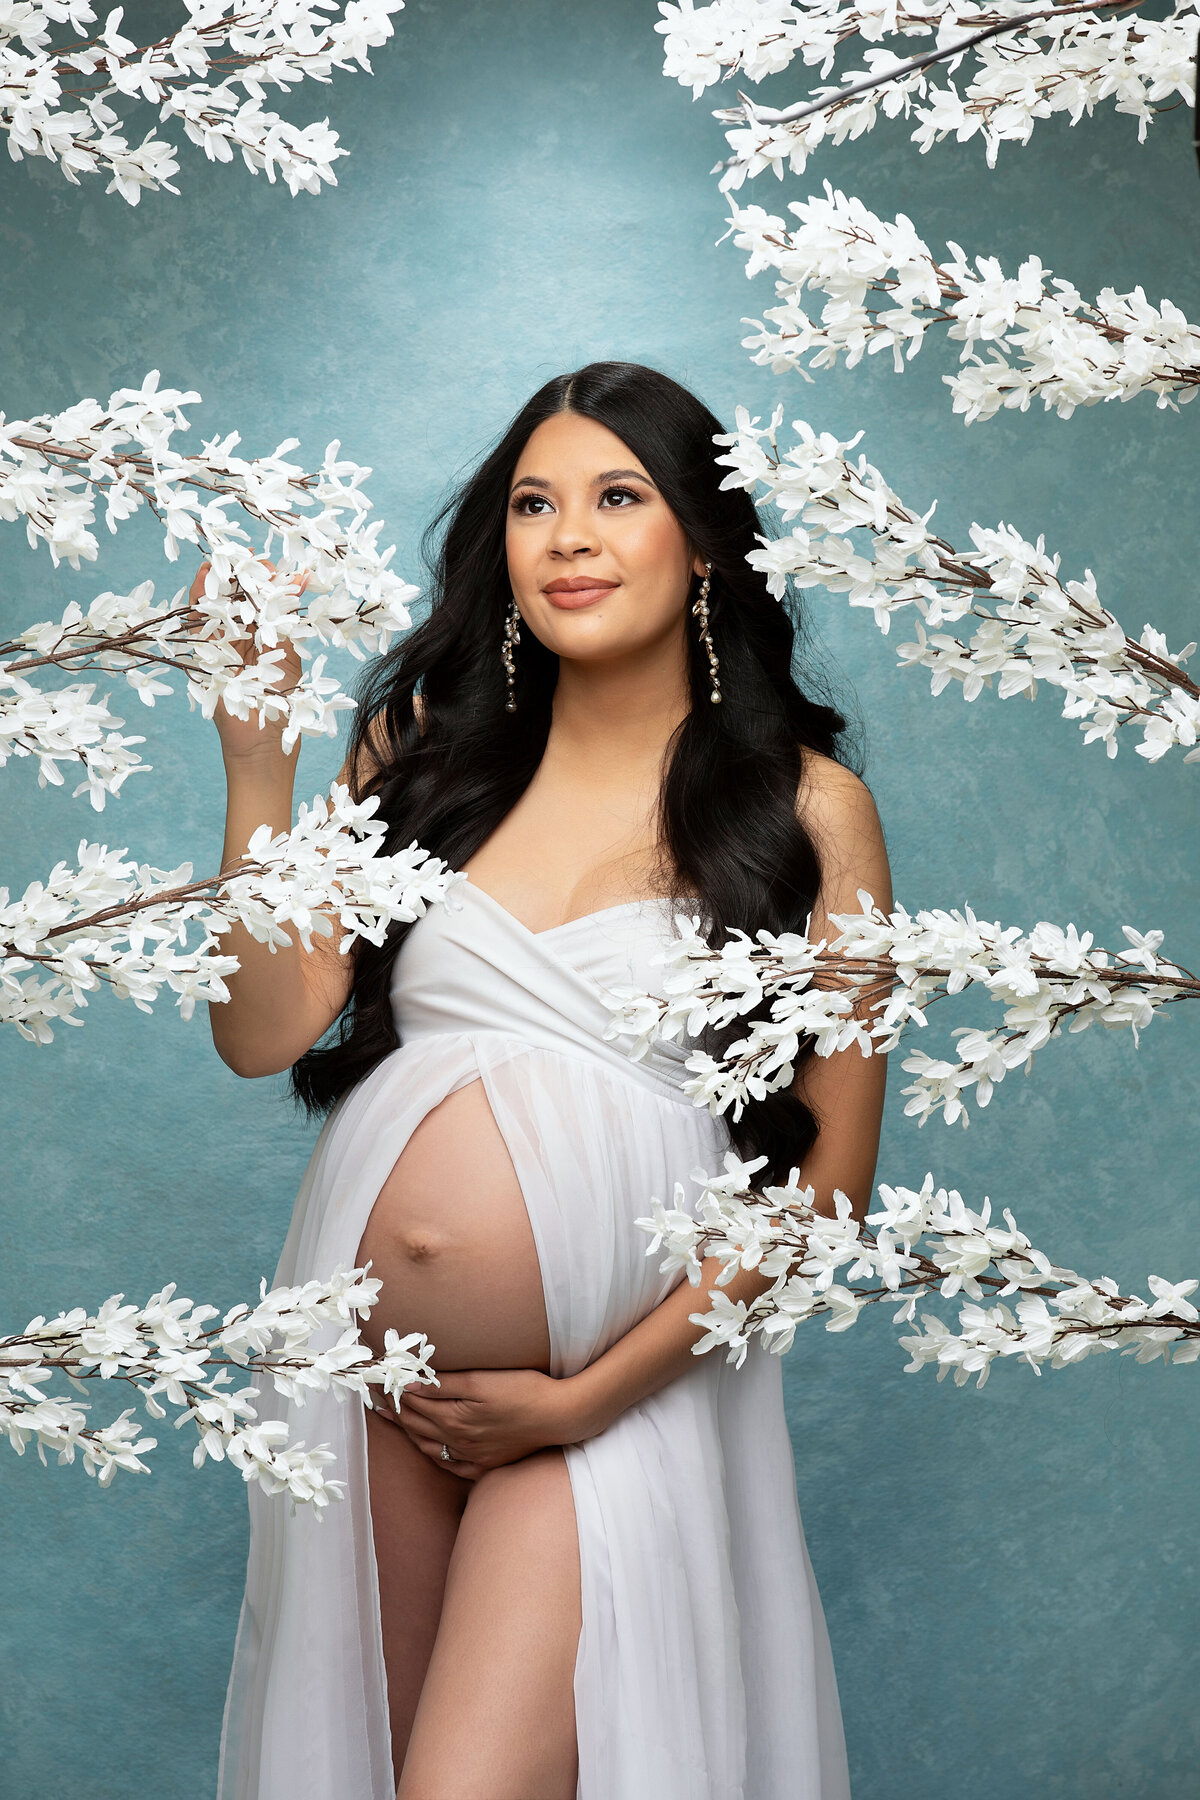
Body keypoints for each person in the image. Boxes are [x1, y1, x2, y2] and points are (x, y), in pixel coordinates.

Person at [209, 361, 891, 1800]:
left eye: (617, 497)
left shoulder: (808, 809)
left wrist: (586, 1401)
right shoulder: (418, 762)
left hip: (608, 1398)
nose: (569, 537)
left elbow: (826, 1192)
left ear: (704, 542)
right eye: (533, 503)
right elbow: (261, 1031)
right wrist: (258, 776)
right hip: (368, 1389)